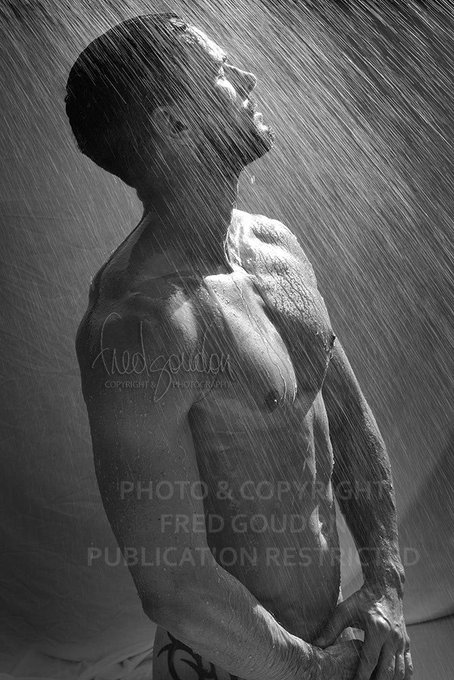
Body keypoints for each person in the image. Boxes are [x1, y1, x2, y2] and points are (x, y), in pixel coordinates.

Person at [66, 12, 413, 680]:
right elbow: (174, 583)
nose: (249, 78)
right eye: (224, 72)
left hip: (331, 644)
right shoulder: (142, 323)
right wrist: (313, 673)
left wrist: (386, 583)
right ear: (176, 123)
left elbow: (347, 416)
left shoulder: (277, 249)